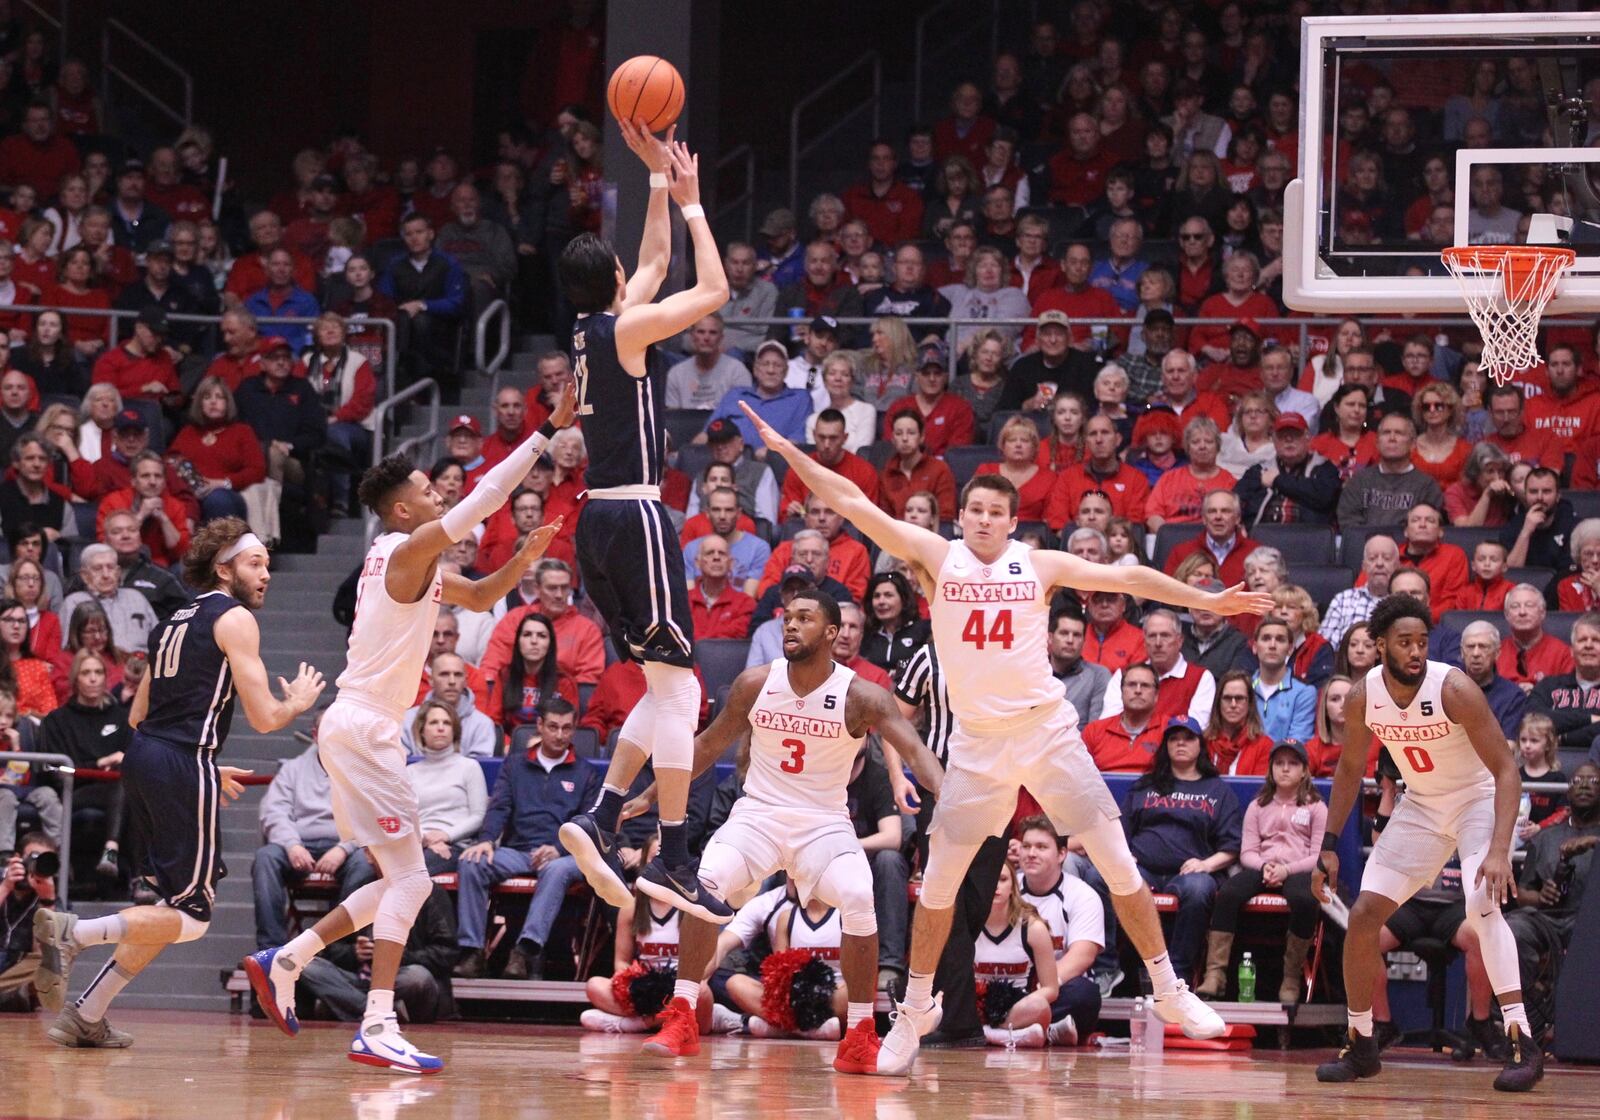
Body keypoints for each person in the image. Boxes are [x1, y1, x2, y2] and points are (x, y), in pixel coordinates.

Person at [746, 404, 1272, 1073]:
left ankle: (1169, 990)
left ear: (1012, 520)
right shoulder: (937, 557)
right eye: (976, 512)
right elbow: (850, 500)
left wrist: (1208, 602)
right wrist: (788, 451)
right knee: (937, 887)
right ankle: (911, 1015)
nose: (986, 521)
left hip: (1045, 730)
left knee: (1116, 861)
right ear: (962, 517)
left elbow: (1127, 578)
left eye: (997, 512)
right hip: (977, 743)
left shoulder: (1039, 564)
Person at [243, 377, 575, 1073]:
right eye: (429, 491)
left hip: (360, 728)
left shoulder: (405, 561)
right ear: (403, 508)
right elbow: (485, 497)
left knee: (401, 876)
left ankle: (292, 957)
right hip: (365, 728)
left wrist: (524, 553)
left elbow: (483, 593)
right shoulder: (403, 549)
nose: (440, 496)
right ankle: (376, 1020)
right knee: (415, 882)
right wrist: (544, 433)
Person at [539, 127, 742, 927]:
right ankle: (674, 855)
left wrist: (657, 179)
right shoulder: (625, 332)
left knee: (668, 687)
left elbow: (651, 268)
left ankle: (604, 815)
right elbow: (714, 292)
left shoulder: (593, 330)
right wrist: (693, 207)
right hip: (633, 514)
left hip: (600, 522)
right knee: (683, 688)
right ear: (612, 280)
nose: (638, 273)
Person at [31, 520, 325, 1048]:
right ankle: (73, 934)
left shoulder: (172, 619)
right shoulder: (234, 618)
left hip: (148, 758)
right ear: (224, 567)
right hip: (180, 763)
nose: (266, 574)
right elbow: (264, 718)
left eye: (267, 565)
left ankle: (86, 1014)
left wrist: (201, 768)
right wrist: (296, 704)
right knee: (191, 919)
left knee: (169, 908)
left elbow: (140, 713)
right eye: (255, 563)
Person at [626, 591, 942, 1071]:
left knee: (859, 895)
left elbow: (918, 753)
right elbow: (708, 744)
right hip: (758, 815)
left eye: (805, 618)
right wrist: (650, 795)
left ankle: (859, 1034)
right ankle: (683, 1014)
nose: (790, 625)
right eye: (787, 618)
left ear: (833, 633)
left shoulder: (861, 695)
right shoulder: (756, 683)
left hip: (824, 824)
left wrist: (956, 802)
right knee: (704, 882)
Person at [1312, 594, 1543, 1092]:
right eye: (1404, 642)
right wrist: (1329, 842)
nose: (1416, 651)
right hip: (1422, 805)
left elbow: (1506, 771)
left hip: (1477, 801)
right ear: (1379, 646)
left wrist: (1500, 848)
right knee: (1364, 916)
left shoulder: (1454, 688)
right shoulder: (1362, 696)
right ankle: (1362, 1041)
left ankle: (1522, 1039)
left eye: (1422, 642)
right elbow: (1350, 768)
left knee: (1483, 906)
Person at [1084, 717, 1241, 989]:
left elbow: (1232, 846)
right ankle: (1105, 967)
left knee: (1200, 888)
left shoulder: (1217, 790)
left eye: (1188, 737)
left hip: (1190, 871)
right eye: (1173, 738)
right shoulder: (1146, 785)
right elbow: (1121, 830)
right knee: (1097, 875)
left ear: (1200, 745)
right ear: (1165, 746)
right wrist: (1122, 855)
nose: (1180, 743)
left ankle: (1177, 974)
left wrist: (1206, 864)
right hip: (1142, 868)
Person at [451, 698, 595, 981]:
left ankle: (524, 952)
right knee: (472, 861)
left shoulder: (585, 772)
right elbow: (500, 806)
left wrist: (558, 847)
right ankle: (472, 952)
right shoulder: (515, 765)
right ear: (539, 725)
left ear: (574, 729)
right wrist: (487, 840)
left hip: (565, 856)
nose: (560, 735)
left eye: (567, 728)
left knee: (556, 869)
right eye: (553, 727)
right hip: (517, 851)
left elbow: (588, 823)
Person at [1198, 739, 1325, 1001]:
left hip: (1298, 869)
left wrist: (1287, 870)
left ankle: (1290, 979)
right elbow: (1247, 853)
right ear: (1270, 769)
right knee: (1229, 892)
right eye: (1279, 763)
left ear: (1304, 770)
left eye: (1293, 763)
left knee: (1304, 898)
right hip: (1263, 866)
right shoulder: (1258, 806)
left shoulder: (1316, 806)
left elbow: (1318, 856)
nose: (1285, 769)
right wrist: (1265, 867)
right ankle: (1215, 975)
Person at [1014, 815, 1105, 1046]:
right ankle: (1043, 1031)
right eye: (1026, 846)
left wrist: (1041, 992)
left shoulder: (1082, 895)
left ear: (1062, 854)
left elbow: (1082, 955)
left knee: (1085, 995)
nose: (1031, 853)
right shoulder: (1006, 887)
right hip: (1011, 983)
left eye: (1041, 847)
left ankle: (1012, 1029)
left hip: (1055, 987)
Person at [974, 858, 1062, 1048]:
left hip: (1016, 1008)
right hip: (974, 1008)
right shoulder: (967, 925)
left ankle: (989, 1034)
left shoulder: (1033, 928)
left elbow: (1051, 989)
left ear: (1014, 885)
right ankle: (1014, 1036)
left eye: (1003, 879)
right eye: (989, 879)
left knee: (1040, 1007)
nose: (995, 886)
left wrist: (1023, 1004)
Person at [1336, 413, 1445, 530]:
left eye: (1399, 433)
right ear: (1377, 443)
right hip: (1364, 546)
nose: (1392, 438)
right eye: (1386, 433)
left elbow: (1427, 527)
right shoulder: (1359, 481)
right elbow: (1348, 522)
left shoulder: (1427, 486)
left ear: (1413, 444)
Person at [664, 315, 751, 411]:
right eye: (701, 332)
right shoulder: (676, 373)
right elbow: (673, 418)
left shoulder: (737, 371)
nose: (706, 337)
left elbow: (742, 414)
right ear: (692, 336)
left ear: (721, 337)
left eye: (712, 332)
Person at [1461, 622, 1527, 740]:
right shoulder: (1445, 690)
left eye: (1483, 647)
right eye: (1470, 647)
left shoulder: (1513, 696)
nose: (1476, 653)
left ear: (1497, 653)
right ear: (1462, 652)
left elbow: (1509, 746)